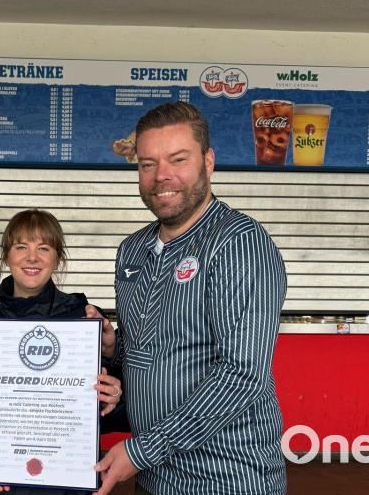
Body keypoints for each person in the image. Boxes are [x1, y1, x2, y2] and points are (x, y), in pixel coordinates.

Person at [94, 101, 288, 495]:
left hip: (228, 480)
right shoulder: (131, 251)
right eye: (147, 164)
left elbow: (242, 374)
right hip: (154, 477)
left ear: (208, 161)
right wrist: (114, 351)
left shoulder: (239, 243)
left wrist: (142, 451)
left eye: (177, 159)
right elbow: (147, 355)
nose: (161, 176)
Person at [0, 209, 129, 494]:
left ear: (58, 258)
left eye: (44, 248)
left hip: (66, 481)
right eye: (21, 247)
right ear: (6, 256)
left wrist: (114, 393)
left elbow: (109, 407)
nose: (32, 258)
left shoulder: (86, 322)